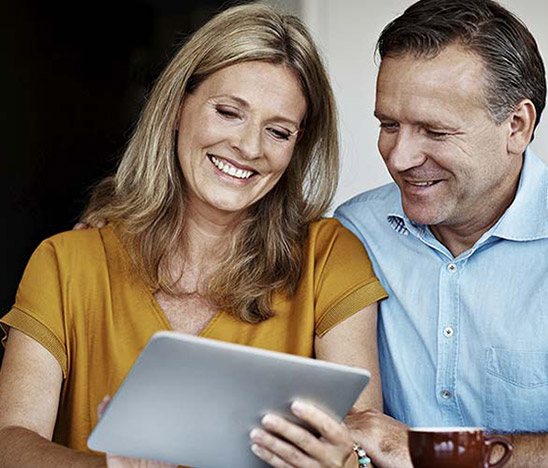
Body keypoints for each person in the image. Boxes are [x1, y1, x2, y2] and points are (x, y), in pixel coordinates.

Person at [0, 4, 387, 467]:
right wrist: (105, 467)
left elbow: (364, 435)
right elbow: (11, 440)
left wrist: (345, 461)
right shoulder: (65, 262)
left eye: (278, 132)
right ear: (178, 107)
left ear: (297, 146)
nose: (249, 147)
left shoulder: (329, 257)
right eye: (228, 112)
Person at [336, 0, 548, 467]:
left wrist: (436, 455)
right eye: (389, 125)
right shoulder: (354, 233)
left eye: (435, 130)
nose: (399, 157)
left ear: (517, 126)